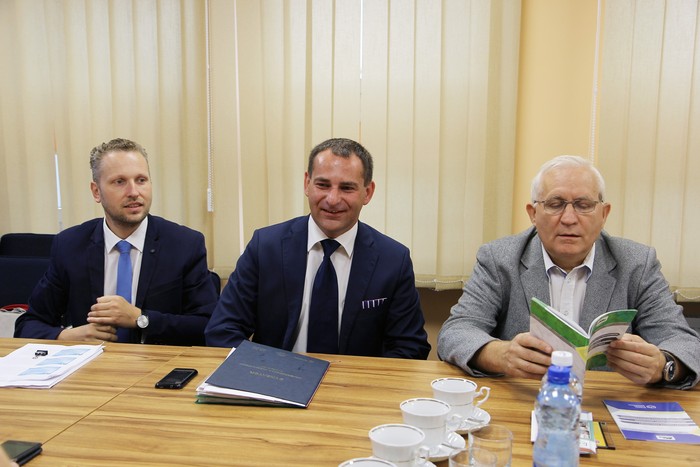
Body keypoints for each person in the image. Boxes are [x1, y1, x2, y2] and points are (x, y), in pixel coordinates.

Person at [438, 155, 700, 389]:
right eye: (555, 204)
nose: (569, 218)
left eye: (584, 205)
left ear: (604, 214)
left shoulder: (637, 264)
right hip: (526, 402)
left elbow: (685, 344)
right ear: (533, 213)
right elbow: (456, 332)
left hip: (605, 406)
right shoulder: (499, 259)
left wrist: (663, 366)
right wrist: (501, 355)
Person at [205, 138, 431, 359]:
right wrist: (269, 373)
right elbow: (223, 330)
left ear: (368, 192)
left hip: (355, 381)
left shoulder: (393, 260)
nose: (332, 199)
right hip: (275, 377)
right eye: (323, 185)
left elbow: (410, 347)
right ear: (307, 184)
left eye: (347, 188)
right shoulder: (265, 247)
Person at [14, 138, 218, 345]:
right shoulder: (70, 245)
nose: (134, 192)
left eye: (141, 180)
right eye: (120, 182)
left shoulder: (184, 245)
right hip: (94, 362)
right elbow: (28, 324)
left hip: (159, 362)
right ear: (96, 191)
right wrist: (69, 336)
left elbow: (208, 326)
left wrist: (142, 319)